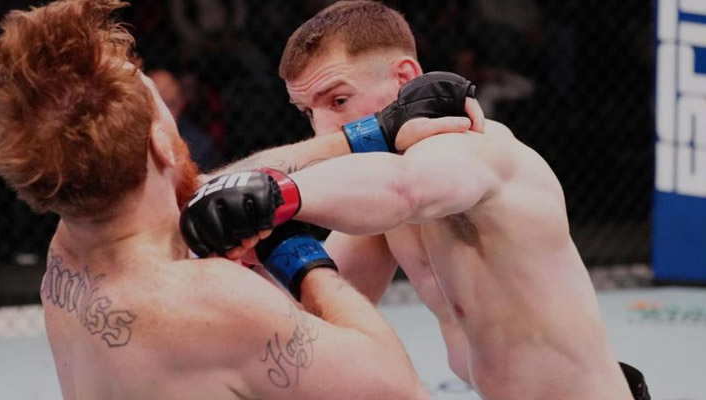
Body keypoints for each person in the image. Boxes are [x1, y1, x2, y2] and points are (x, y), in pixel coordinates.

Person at [0, 0, 439, 398]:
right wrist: (300, 258)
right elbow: (400, 389)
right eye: (163, 109)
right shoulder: (211, 300)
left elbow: (202, 187)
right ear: (159, 143)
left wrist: (363, 135)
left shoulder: (70, 247)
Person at [180, 1, 649, 400]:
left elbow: (405, 189)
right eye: (308, 112)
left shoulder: (473, 145)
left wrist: (278, 196)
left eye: (338, 101)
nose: (322, 129)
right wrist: (262, 250)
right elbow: (315, 308)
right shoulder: (380, 209)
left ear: (404, 77)